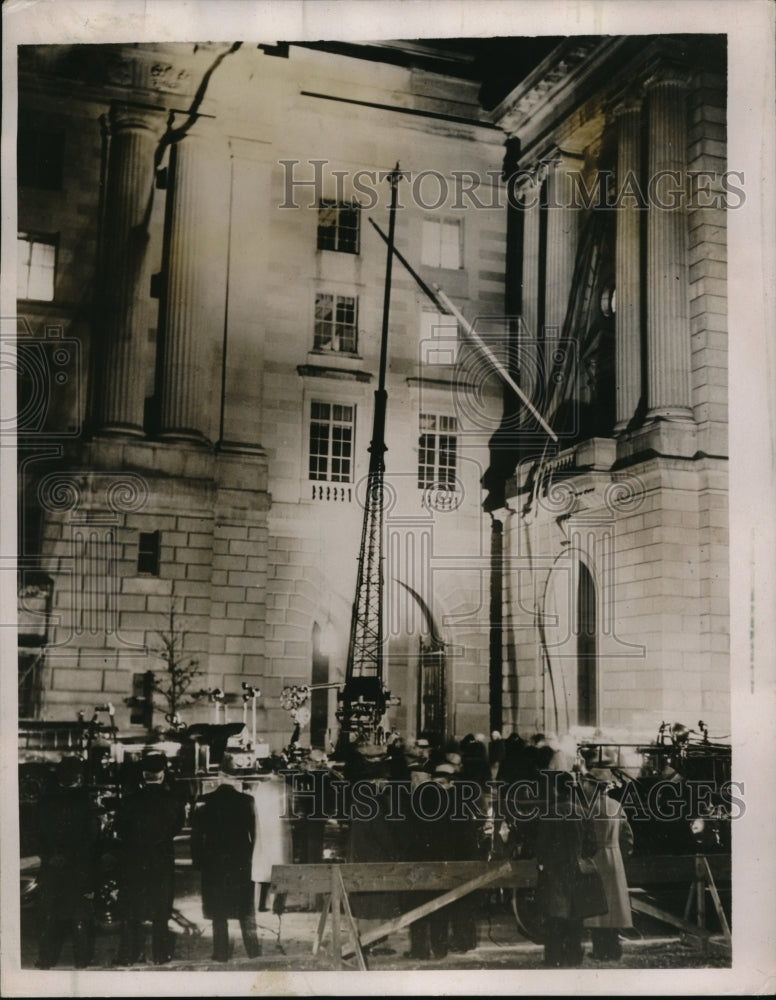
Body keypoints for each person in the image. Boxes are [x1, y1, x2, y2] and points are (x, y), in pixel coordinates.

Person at [113, 751, 184, 965]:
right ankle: (160, 955)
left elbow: (120, 829)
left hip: (134, 860)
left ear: (143, 774)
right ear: (162, 774)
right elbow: (177, 827)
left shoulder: (128, 801)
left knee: (131, 909)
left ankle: (128, 955)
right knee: (161, 909)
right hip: (161, 859)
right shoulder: (173, 802)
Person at [190, 753, 261, 962]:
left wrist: (198, 861)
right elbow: (253, 833)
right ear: (237, 778)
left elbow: (196, 836)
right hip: (240, 862)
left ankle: (220, 953)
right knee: (245, 910)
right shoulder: (248, 801)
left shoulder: (204, 801)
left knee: (218, 910)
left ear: (220, 775)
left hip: (214, 863)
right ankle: (253, 951)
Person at [35, 756, 100, 969]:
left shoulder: (44, 801)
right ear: (78, 777)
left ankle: (46, 959)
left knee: (50, 915)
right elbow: (91, 838)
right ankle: (81, 960)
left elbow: (34, 834)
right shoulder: (84, 801)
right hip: (78, 867)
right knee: (79, 914)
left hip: (52, 866)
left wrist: (50, 855)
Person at [533, 769, 598, 968]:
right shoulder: (583, 812)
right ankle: (574, 956)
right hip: (576, 868)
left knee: (554, 914)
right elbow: (592, 845)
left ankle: (554, 958)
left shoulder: (549, 812)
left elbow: (541, 844)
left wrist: (542, 863)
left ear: (555, 789)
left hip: (554, 869)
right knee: (575, 913)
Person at [581, 763, 634, 961]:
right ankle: (614, 949)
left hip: (595, 859)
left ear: (594, 786)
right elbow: (628, 836)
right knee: (614, 906)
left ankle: (600, 950)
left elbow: (584, 837)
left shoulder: (587, 808)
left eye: (587, 784)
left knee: (596, 906)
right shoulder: (616, 806)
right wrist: (622, 855)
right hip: (615, 857)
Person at [252, 761, 293, 914]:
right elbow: (295, 812)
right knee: (281, 869)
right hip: (281, 834)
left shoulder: (260, 788)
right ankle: (278, 906)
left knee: (263, 868)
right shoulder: (287, 789)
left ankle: (261, 904)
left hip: (263, 831)